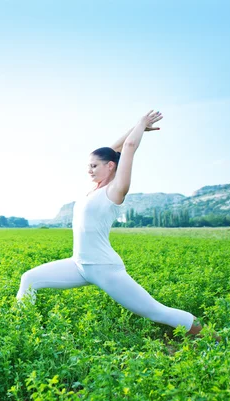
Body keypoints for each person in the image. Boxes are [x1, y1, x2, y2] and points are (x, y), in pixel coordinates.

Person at [16, 111, 205, 335]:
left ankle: (214, 339)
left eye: (95, 166)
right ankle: (22, 331)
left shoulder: (114, 191)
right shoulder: (91, 191)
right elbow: (113, 150)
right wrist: (136, 126)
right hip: (79, 265)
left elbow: (129, 147)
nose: (90, 170)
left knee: (156, 311)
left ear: (111, 167)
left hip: (104, 268)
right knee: (29, 278)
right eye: (89, 165)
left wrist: (141, 125)